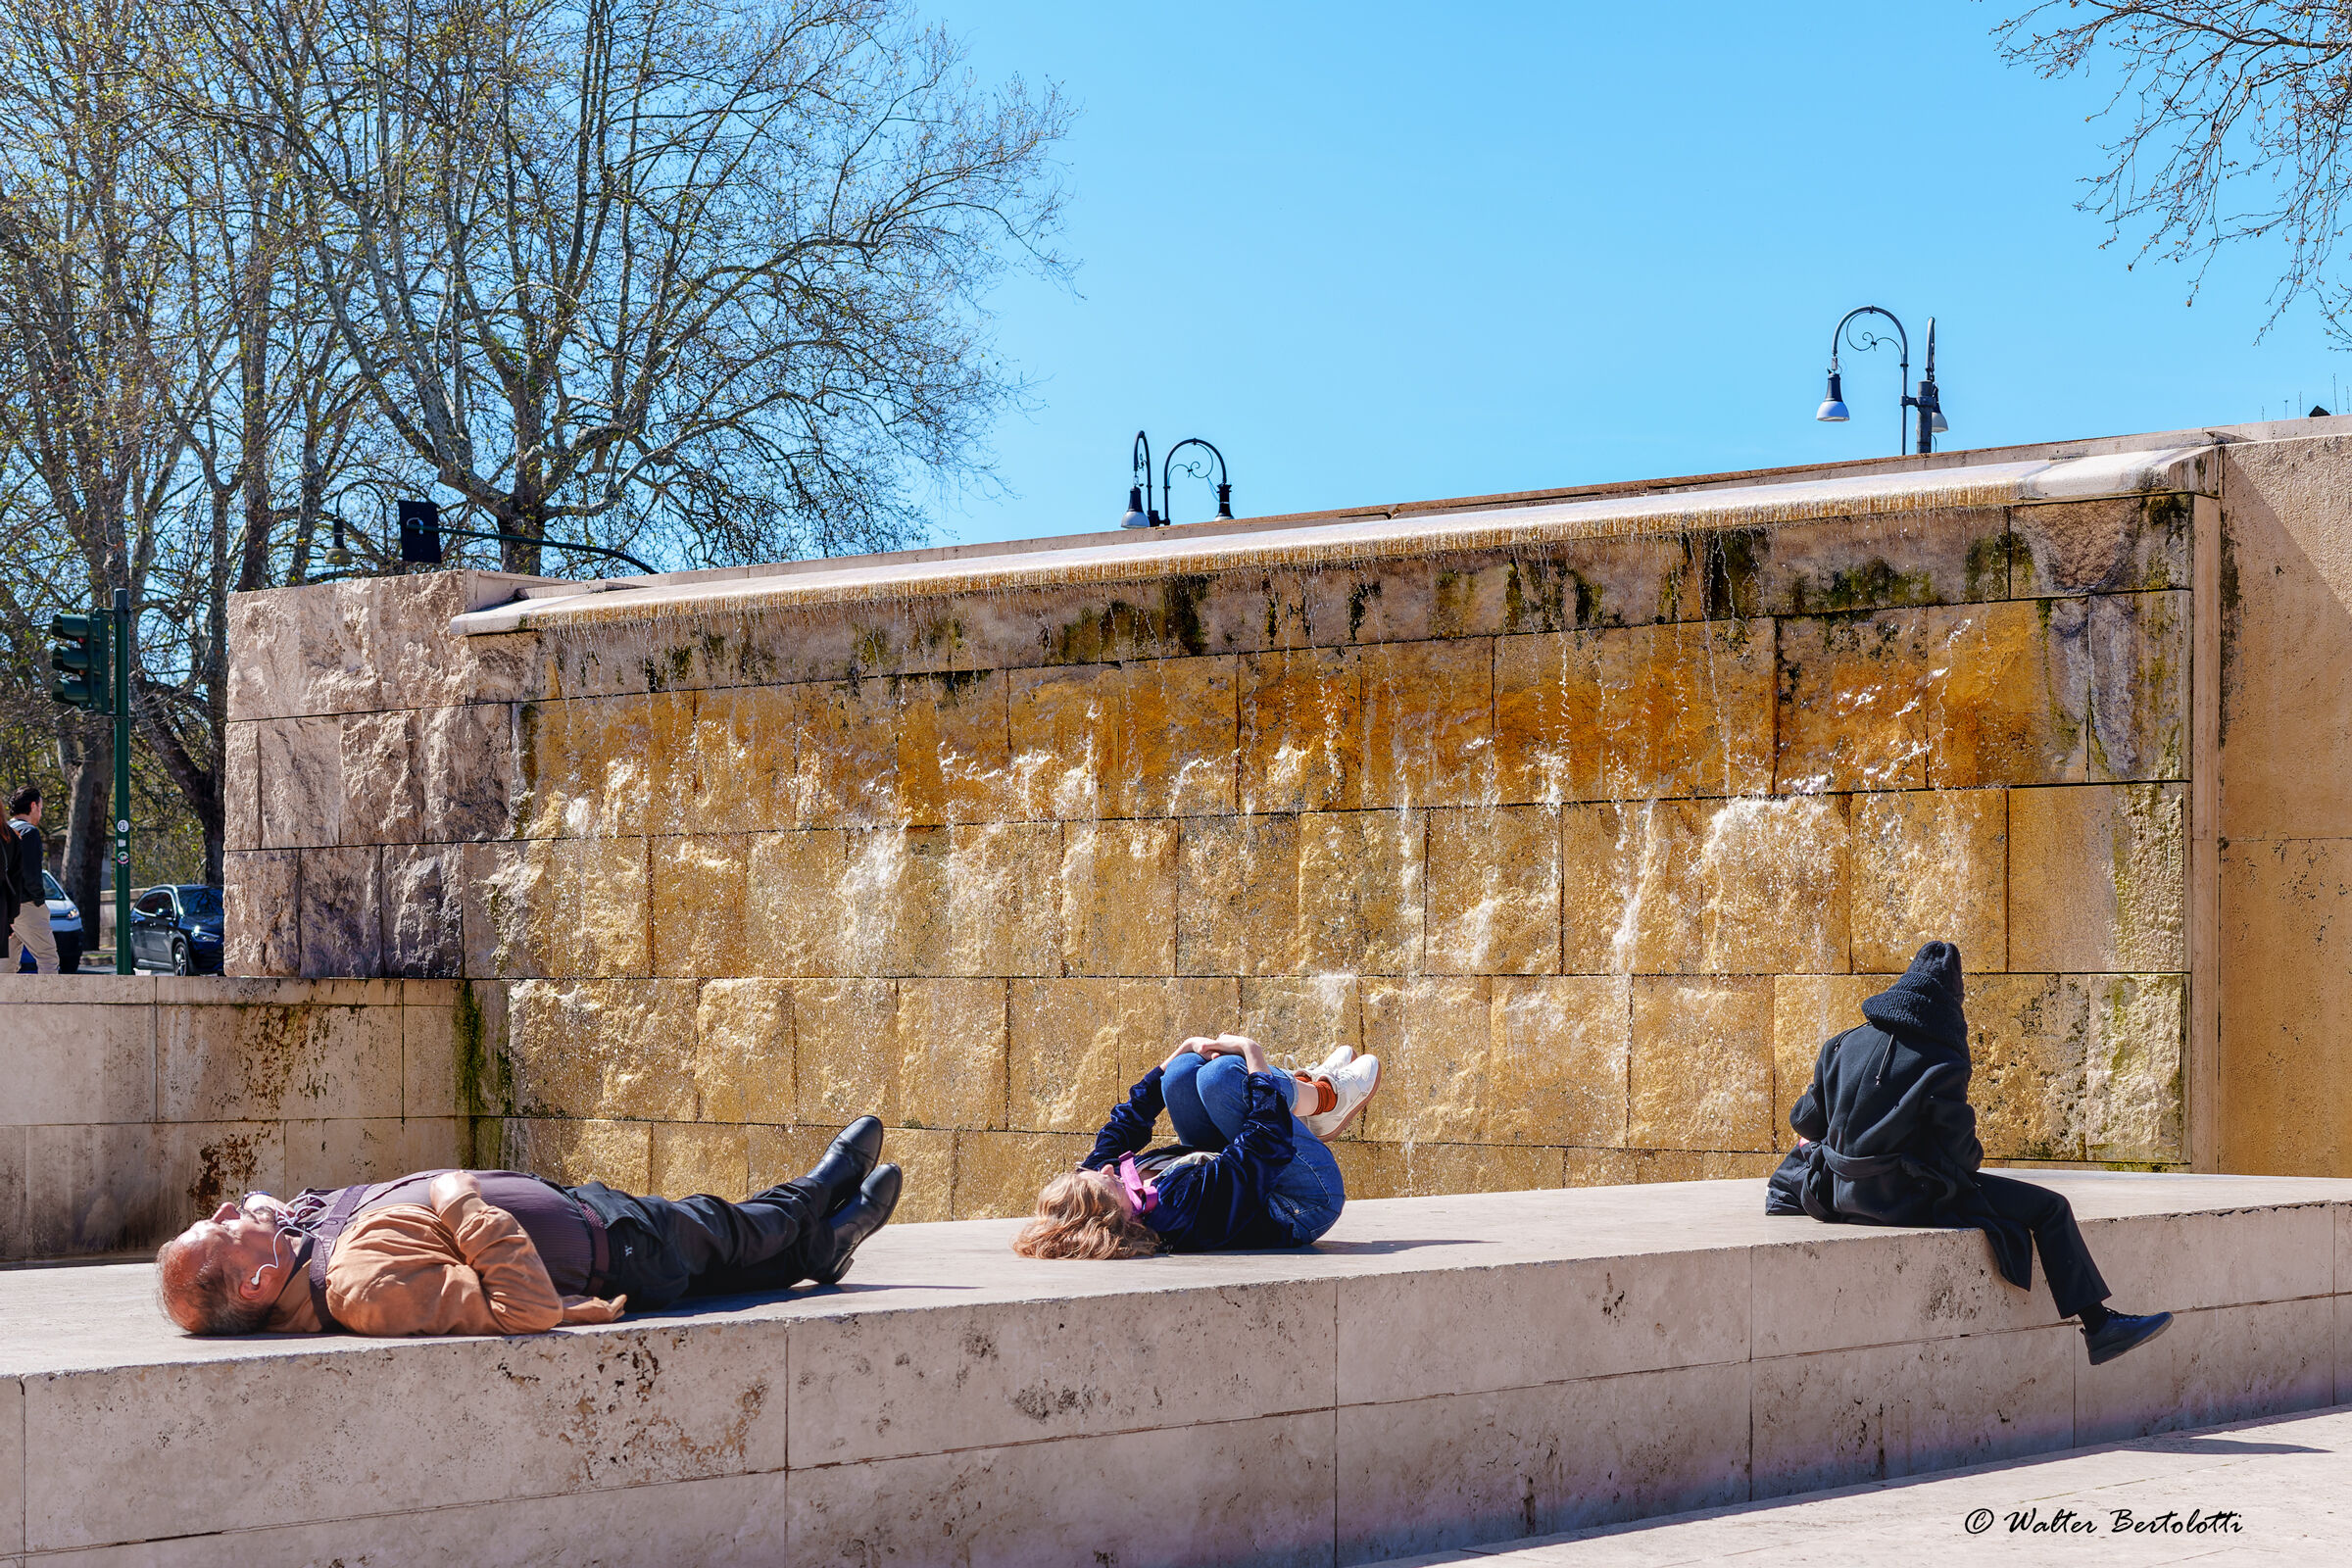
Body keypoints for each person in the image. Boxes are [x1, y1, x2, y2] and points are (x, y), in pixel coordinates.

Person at [1767, 940, 2174, 1366]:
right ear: (1949, 1004)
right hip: (1901, 1202)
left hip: (1837, 1193)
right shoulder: (1941, 1063)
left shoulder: (1840, 1044)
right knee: (2051, 1207)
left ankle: (2100, 1326)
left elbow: (1803, 1121)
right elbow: (1963, 1159)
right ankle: (2099, 1327)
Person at [155, 1117, 902, 1336]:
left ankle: (823, 1250)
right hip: (616, 1250)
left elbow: (257, 1205)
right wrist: (458, 1200)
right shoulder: (359, 1289)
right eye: (221, 1228)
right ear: (256, 1280)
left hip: (594, 1221)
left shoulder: (293, 1244)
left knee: (730, 1269)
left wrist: (265, 1217)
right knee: (725, 1230)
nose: (230, 1210)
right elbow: (524, 1310)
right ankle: (814, 1193)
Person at [1014, 1033, 1380, 1259]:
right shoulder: (1178, 1208)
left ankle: (1305, 1090)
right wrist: (1254, 1055)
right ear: (1115, 1218)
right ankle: (1325, 1097)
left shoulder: (1118, 1192)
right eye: (1102, 1182)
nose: (1105, 1169)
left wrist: (1178, 1053)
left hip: (1253, 1169)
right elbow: (1263, 1146)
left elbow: (1121, 1127)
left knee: (1184, 1071)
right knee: (1224, 1076)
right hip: (1302, 1199)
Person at [6, 786, 55, 973]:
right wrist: (39, 901)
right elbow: (31, 875)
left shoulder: (4, 831)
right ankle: (49, 1002)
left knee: (5, 967)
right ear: (33, 806)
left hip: (4, 909)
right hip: (25, 905)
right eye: (41, 809)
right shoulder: (29, 832)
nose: (40, 814)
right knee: (48, 958)